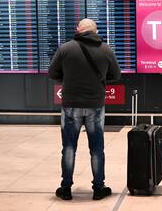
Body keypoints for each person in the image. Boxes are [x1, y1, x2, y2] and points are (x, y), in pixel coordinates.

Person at [48, 18, 121, 200]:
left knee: (69, 148)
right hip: (95, 105)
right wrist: (100, 80)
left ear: (78, 30)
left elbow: (52, 73)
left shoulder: (65, 48)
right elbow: (116, 75)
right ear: (95, 31)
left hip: (70, 105)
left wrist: (68, 78)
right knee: (97, 149)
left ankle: (65, 188)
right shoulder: (105, 49)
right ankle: (98, 188)